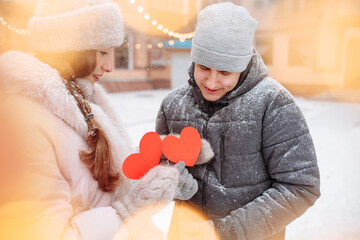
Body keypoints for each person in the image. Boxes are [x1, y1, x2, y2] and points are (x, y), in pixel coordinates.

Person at [0, 0, 199, 239]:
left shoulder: (79, 100)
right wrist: (127, 212)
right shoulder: (23, 124)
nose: (110, 66)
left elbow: (94, 175)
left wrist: (159, 158)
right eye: (103, 52)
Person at [156, 2, 321, 240]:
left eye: (225, 72)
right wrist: (171, 181)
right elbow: (161, 163)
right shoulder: (173, 104)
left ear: (242, 67)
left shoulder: (273, 104)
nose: (211, 83)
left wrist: (225, 231)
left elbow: (301, 186)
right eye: (203, 67)